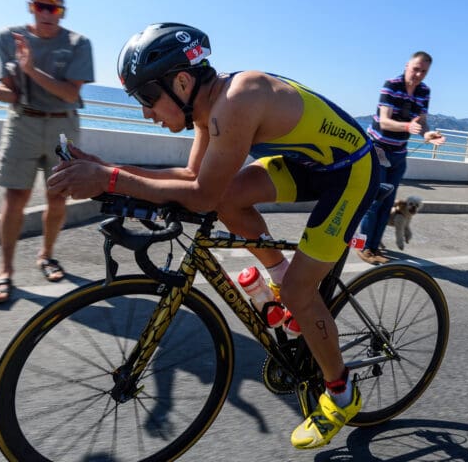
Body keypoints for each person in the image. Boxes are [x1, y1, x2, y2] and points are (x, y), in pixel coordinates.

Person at [47, 23, 379, 449]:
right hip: (310, 164)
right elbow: (191, 177)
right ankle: (280, 277)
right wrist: (108, 168)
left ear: (182, 81)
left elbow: (199, 195)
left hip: (350, 172)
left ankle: (341, 393)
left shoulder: (238, 101)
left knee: (300, 291)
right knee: (229, 199)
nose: (146, 112)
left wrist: (109, 179)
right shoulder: (206, 109)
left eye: (147, 98)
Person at [0, 0, 94, 303]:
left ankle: (46, 255)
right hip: (23, 121)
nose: (45, 13)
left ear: (62, 12)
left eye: (52, 7)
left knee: (57, 198)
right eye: (39, 5)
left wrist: (31, 70)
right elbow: (12, 93)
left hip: (62, 126)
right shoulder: (8, 38)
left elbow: (71, 93)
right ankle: (5, 272)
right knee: (15, 197)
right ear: (31, 7)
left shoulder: (78, 43)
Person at [356, 51, 445, 265]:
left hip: (399, 154)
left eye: (423, 71)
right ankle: (362, 246)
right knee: (373, 203)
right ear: (407, 65)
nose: (418, 74)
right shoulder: (391, 85)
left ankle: (374, 247)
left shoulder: (424, 91)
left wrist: (426, 134)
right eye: (415, 69)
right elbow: (385, 121)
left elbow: (421, 122)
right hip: (379, 150)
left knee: (387, 204)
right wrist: (407, 126)